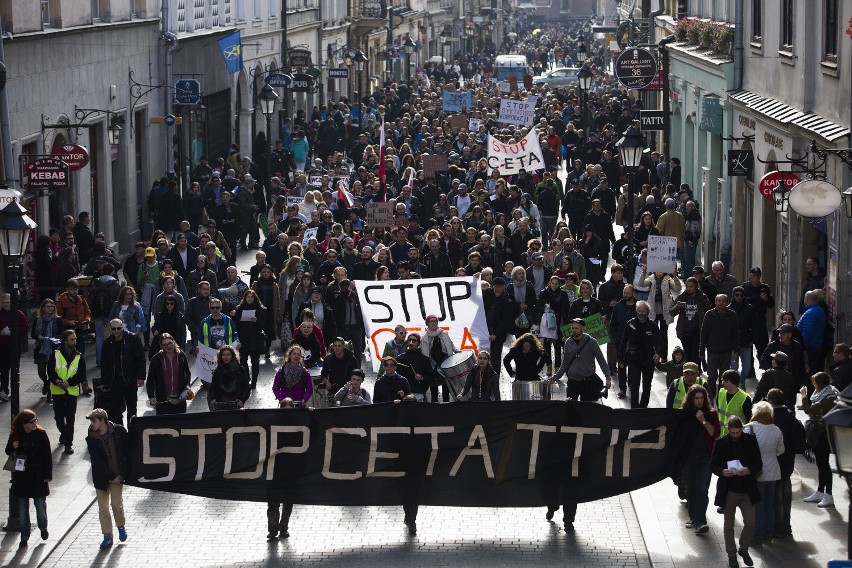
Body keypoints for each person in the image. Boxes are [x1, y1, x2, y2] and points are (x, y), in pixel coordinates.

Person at [711, 416, 762, 568]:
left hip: (747, 489)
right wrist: (722, 471)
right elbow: (713, 465)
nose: (735, 435)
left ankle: (743, 549)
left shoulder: (750, 440)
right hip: (729, 490)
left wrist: (749, 470)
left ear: (741, 429)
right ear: (728, 430)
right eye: (732, 433)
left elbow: (758, 463)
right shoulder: (721, 443)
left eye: (738, 432)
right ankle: (731, 554)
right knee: (728, 525)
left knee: (750, 521)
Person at [5, 408, 51, 548]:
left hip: (38, 477)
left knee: (40, 506)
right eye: (32, 421)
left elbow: (47, 455)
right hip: (22, 477)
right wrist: (13, 446)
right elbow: (8, 451)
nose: (35, 423)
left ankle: (43, 527)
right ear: (24, 423)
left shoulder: (41, 434)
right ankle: (24, 537)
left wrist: (47, 475)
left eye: (35, 420)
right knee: (23, 510)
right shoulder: (16, 434)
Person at [85, 408, 129, 549]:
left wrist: (122, 474)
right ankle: (107, 536)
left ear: (102, 420)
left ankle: (121, 526)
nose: (92, 424)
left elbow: (128, 451)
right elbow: (97, 461)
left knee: (116, 504)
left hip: (118, 475)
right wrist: (111, 477)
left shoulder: (119, 431)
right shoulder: (91, 438)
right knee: (103, 508)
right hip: (102, 478)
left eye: (94, 421)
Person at [743, 401, 785, 546]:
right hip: (773, 471)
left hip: (757, 472)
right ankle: (768, 535)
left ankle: (756, 537)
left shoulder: (749, 428)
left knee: (758, 506)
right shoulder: (776, 430)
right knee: (769, 505)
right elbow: (781, 450)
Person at [680, 384, 719, 535]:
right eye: (696, 398)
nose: (699, 401)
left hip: (705, 458)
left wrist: (703, 420)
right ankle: (694, 518)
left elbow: (714, 433)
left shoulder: (710, 413)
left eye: (702, 398)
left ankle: (700, 521)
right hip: (689, 458)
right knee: (691, 489)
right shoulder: (685, 414)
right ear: (691, 399)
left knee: (702, 490)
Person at [766, 388, 804, 540]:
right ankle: (786, 526)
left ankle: (776, 526)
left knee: (775, 496)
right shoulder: (790, 415)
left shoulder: (771, 417)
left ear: (771, 401)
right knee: (785, 496)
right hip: (788, 462)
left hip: (774, 463)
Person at [800, 371, 839, 508]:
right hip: (819, 432)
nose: (813, 385)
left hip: (823, 434)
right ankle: (820, 491)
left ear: (818, 383)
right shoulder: (826, 392)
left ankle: (828, 495)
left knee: (824, 464)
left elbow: (810, 410)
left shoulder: (828, 397)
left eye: (814, 382)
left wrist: (803, 397)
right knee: (821, 464)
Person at [547, 318, 612, 401]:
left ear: (582, 328)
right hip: (572, 381)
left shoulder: (592, 342)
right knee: (570, 408)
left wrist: (608, 378)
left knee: (585, 409)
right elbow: (565, 363)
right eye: (572, 328)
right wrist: (554, 378)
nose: (574, 330)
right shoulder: (568, 342)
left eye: (576, 328)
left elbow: (601, 361)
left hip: (587, 381)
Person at [99, 318, 147, 425]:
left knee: (132, 407)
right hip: (114, 380)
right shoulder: (107, 343)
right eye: (114, 329)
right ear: (110, 329)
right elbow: (104, 364)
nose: (116, 331)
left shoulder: (133, 339)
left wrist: (141, 377)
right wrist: (104, 382)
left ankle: (132, 431)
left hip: (130, 378)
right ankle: (119, 432)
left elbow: (140, 359)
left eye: (119, 328)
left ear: (122, 327)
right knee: (116, 408)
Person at [618, 301, 663, 408]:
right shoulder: (631, 324)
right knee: (634, 385)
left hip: (648, 360)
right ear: (636, 311)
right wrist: (620, 359)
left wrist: (658, 353)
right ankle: (634, 408)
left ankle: (643, 407)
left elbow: (659, 342)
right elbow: (623, 342)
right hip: (633, 360)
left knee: (647, 386)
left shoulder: (653, 325)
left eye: (643, 311)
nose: (641, 313)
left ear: (647, 312)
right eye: (639, 311)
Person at [48, 329, 85, 454]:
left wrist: (69, 382)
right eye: (72, 339)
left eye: (75, 339)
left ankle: (68, 444)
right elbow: (50, 371)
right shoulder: (55, 354)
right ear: (65, 341)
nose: (75, 341)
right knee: (59, 418)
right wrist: (57, 381)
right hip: (58, 392)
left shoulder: (79, 355)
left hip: (71, 392)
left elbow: (81, 374)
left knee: (70, 419)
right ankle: (64, 433)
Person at [700, 295, 739, 397]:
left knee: (724, 377)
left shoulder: (732, 315)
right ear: (715, 302)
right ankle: (710, 395)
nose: (721, 303)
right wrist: (701, 351)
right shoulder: (709, 314)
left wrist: (736, 350)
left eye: (723, 301)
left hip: (726, 351)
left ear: (727, 302)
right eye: (719, 301)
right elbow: (704, 333)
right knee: (712, 376)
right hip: (712, 350)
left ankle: (722, 396)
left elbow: (736, 334)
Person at [145, 333, 192, 415]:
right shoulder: (156, 359)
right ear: (161, 346)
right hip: (163, 400)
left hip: (180, 398)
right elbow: (150, 379)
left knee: (180, 424)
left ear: (174, 342)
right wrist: (151, 396)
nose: (168, 346)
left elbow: (187, 374)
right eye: (165, 344)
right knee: (165, 425)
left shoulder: (181, 356)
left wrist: (187, 386)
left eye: (170, 343)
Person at [198, 298, 239, 387]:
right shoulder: (204, 322)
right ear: (210, 309)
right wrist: (197, 347)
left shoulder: (228, 320)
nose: (215, 310)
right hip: (210, 353)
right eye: (213, 308)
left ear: (221, 308)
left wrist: (237, 342)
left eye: (217, 307)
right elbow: (200, 337)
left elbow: (234, 333)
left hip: (225, 353)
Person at [670, 277, 709, 363]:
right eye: (687, 286)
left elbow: (708, 313)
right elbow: (671, 312)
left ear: (696, 287)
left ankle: (697, 371)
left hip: (697, 330)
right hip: (685, 331)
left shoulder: (703, 298)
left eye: (691, 286)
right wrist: (677, 307)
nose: (688, 288)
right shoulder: (682, 297)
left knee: (695, 353)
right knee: (687, 354)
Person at [234, 290, 267, 389]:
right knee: (243, 360)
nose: (249, 299)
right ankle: (246, 378)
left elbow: (264, 324)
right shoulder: (239, 308)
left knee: (255, 361)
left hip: (255, 338)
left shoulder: (260, 309)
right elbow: (236, 323)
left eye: (252, 297)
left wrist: (257, 320)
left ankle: (254, 381)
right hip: (243, 338)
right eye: (248, 297)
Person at [31, 299, 62, 403]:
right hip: (41, 348)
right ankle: (46, 382)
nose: (50, 308)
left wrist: (54, 338)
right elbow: (32, 334)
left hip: (53, 348)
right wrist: (38, 336)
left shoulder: (57, 320)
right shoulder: (38, 319)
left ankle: (50, 393)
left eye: (52, 306)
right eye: (48, 306)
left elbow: (61, 333)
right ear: (43, 308)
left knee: (51, 371)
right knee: (41, 372)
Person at [610, 284, 638, 398]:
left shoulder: (638, 306)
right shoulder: (617, 307)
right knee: (621, 365)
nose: (626, 295)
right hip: (620, 340)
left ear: (633, 293)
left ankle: (632, 384)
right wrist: (616, 337)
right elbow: (613, 324)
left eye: (628, 293)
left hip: (634, 342)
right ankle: (622, 388)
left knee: (633, 365)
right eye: (624, 293)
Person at [421, 314, 456, 403]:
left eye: (435, 321)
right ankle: (434, 411)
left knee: (446, 388)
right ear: (427, 324)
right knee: (434, 390)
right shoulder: (424, 337)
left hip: (444, 363)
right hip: (432, 366)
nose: (434, 323)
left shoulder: (444, 334)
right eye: (431, 321)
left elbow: (451, 345)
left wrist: (458, 351)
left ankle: (446, 409)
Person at [397, 333, 439, 401]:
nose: (411, 342)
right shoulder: (400, 358)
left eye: (414, 340)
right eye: (409, 340)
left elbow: (432, 377)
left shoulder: (424, 359)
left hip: (418, 393)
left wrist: (422, 377)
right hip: (403, 394)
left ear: (418, 343)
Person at [728, 286, 757, 383]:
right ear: (733, 296)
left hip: (746, 341)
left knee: (747, 366)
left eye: (741, 295)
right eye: (737, 295)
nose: (739, 297)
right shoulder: (728, 309)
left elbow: (754, 325)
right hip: (732, 343)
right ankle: (735, 385)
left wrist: (752, 339)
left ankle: (741, 382)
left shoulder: (750, 308)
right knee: (734, 367)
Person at [209, 345, 250, 410]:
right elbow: (212, 388)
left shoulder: (240, 369)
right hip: (220, 404)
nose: (225, 357)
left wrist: (242, 400)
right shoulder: (217, 370)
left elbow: (246, 388)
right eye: (223, 355)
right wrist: (213, 399)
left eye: (228, 355)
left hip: (236, 403)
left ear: (232, 355)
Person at [798, 290, 826, 374]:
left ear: (806, 300)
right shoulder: (818, 310)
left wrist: (801, 347)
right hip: (816, 347)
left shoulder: (811, 313)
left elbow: (807, 334)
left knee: (811, 373)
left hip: (811, 349)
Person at [717, 370, 753, 437]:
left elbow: (749, 420)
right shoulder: (721, 392)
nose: (723, 383)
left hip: (736, 436)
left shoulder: (745, 398)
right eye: (722, 380)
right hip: (722, 435)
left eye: (726, 381)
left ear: (734, 382)